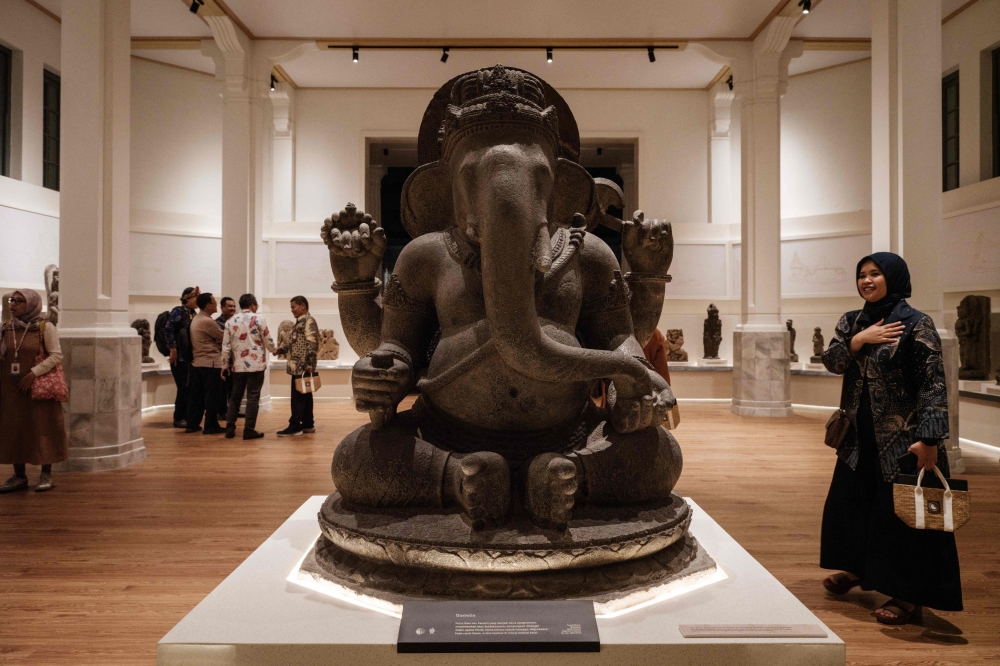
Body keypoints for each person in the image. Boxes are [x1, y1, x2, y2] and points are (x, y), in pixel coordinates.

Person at [820, 252, 961, 625]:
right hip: (856, 437)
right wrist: (859, 340)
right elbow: (831, 361)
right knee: (854, 504)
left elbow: (933, 384)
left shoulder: (916, 324)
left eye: (875, 274)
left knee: (901, 516)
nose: (867, 281)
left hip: (902, 441)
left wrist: (929, 438)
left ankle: (907, 594)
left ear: (894, 278)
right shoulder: (852, 322)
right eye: (862, 275)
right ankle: (857, 569)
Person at [0, 290, 68, 493]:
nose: (13, 305)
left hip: (38, 388)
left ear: (32, 304)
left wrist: (32, 374)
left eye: (19, 301)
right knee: (14, 429)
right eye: (12, 300)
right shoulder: (6, 328)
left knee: (43, 428)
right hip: (11, 389)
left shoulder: (44, 327)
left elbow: (56, 355)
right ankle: (19, 476)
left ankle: (46, 474)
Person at [221, 293, 278, 440]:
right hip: (256, 365)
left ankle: (230, 428)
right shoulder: (259, 319)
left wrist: (224, 365)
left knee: (235, 398)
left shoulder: (230, 321)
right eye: (256, 304)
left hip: (238, 366)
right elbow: (268, 340)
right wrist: (275, 350)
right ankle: (248, 429)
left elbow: (226, 346)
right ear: (252, 305)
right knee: (253, 397)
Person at [277, 295, 319, 437]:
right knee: (305, 395)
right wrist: (281, 349)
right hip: (299, 366)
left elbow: (312, 343)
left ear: (303, 306)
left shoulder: (308, 321)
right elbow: (293, 342)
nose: (292, 310)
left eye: (293, 307)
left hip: (302, 366)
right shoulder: (300, 322)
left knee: (298, 398)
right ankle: (308, 424)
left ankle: (295, 426)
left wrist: (309, 363)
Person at [186, 292, 226, 435]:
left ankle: (192, 424)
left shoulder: (197, 318)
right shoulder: (207, 321)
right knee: (212, 396)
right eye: (215, 302)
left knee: (197, 396)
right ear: (208, 305)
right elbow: (222, 336)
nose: (217, 305)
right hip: (210, 363)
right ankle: (210, 425)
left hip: (198, 362)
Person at [164, 287, 199, 428]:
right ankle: (179, 417)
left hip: (189, 357)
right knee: (183, 387)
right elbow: (168, 329)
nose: (198, 300)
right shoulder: (178, 311)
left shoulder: (193, 313)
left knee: (189, 387)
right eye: (196, 297)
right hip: (179, 358)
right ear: (187, 298)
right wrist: (173, 349)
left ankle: (187, 416)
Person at [215, 296, 238, 420]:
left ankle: (233, 411)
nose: (232, 308)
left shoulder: (236, 321)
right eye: (229, 306)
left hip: (235, 361)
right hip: (223, 361)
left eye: (234, 306)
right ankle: (222, 412)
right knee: (223, 389)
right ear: (222, 307)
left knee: (233, 389)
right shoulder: (217, 323)